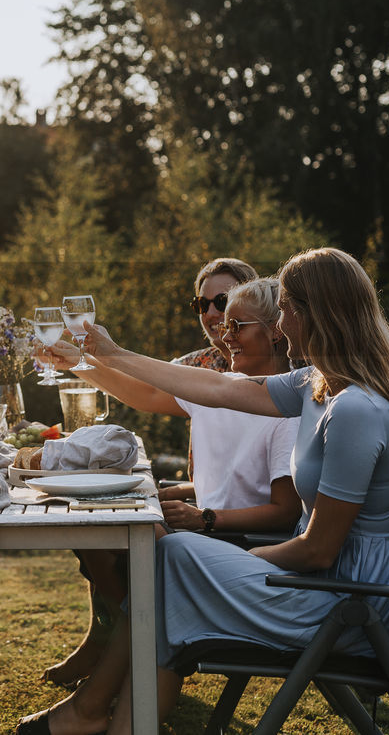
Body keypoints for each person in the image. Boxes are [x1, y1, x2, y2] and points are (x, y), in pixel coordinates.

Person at [18, 247, 389, 734]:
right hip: (328, 579)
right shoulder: (319, 384)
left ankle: (95, 713)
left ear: (318, 314)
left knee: (174, 557)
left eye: (286, 308)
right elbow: (221, 389)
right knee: (169, 559)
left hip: (350, 601)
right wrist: (109, 354)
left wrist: (226, 564)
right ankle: (109, 719)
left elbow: (318, 550)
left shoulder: (355, 409)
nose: (280, 322)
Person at [40, 278, 301, 686]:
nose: (223, 332)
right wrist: (80, 363)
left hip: (240, 545)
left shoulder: (285, 410)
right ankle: (117, 658)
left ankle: (118, 661)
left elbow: (287, 511)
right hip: (211, 532)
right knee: (98, 521)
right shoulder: (223, 387)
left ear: (275, 331)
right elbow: (142, 394)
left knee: (129, 536)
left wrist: (206, 519)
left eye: (236, 325)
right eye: (216, 315)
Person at [172, 257, 258, 371]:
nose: (210, 314)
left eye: (222, 301)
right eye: (202, 304)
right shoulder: (192, 366)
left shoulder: (285, 371)